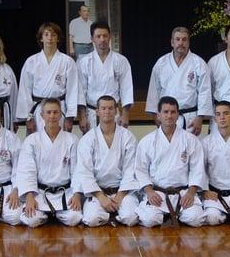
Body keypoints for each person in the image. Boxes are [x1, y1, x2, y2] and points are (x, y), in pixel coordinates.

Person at [135, 96, 205, 228]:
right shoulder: (147, 141)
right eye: (165, 112)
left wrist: (191, 192)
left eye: (173, 112)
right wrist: (149, 192)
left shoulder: (190, 139)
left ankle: (173, 214)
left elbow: (197, 169)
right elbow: (141, 169)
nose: (169, 115)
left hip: (182, 193)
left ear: (178, 115)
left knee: (196, 218)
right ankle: (168, 214)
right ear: (158, 115)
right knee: (150, 220)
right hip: (158, 193)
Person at [17, 98, 83, 227]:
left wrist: (77, 195)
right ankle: (49, 214)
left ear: (60, 114)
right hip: (40, 192)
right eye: (48, 112)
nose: (52, 116)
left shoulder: (72, 140)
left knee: (74, 218)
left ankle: (54, 214)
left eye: (55, 112)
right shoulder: (32, 141)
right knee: (32, 220)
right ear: (42, 115)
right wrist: (29, 196)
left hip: (65, 192)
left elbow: (78, 171)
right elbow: (26, 170)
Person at [76, 95, 139, 227]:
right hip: (98, 192)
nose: (107, 111)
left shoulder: (127, 137)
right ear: (97, 112)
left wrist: (120, 196)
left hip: (122, 191)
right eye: (103, 108)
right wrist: (101, 197)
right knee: (92, 219)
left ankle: (114, 213)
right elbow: (85, 172)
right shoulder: (88, 139)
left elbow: (130, 170)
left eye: (111, 108)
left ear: (116, 111)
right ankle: (111, 214)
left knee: (131, 218)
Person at [146, 26, 213, 136]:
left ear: (188, 42)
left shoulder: (199, 64)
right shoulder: (161, 63)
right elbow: (154, 91)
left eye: (184, 39)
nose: (181, 43)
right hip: (167, 116)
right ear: (172, 42)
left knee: (190, 151)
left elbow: (204, 92)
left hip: (190, 118)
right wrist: (155, 117)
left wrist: (200, 118)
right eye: (177, 39)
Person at [16, 22, 79, 135]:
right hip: (38, 110)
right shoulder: (31, 61)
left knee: (60, 143)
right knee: (38, 144)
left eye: (53, 35)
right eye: (46, 34)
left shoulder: (67, 61)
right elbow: (24, 91)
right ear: (41, 38)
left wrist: (70, 116)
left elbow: (72, 90)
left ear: (58, 38)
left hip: (59, 109)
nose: (50, 38)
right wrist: (28, 118)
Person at [77, 21, 134, 133]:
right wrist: (82, 117)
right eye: (98, 36)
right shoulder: (84, 62)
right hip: (92, 113)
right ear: (92, 39)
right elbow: (81, 92)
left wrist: (126, 114)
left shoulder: (121, 61)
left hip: (114, 113)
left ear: (110, 37)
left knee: (114, 147)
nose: (102, 39)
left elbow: (126, 89)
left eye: (105, 36)